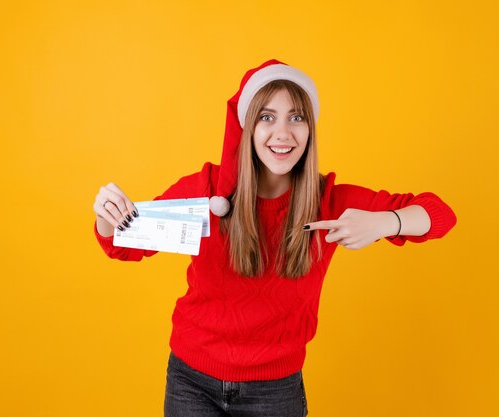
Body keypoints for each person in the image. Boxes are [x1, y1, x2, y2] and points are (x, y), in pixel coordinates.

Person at [92, 59, 457, 417]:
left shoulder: (328, 202)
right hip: (191, 382)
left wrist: (385, 223)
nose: (282, 133)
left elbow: (439, 214)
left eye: (296, 117)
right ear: (247, 129)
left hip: (275, 390)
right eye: (267, 117)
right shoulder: (207, 191)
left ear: (311, 129)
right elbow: (120, 246)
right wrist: (107, 215)